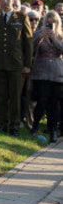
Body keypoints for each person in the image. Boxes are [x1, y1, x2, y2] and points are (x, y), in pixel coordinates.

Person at [0, 0, 33, 135]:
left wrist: (27, 65)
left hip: (15, 64)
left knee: (15, 96)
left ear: (12, 0)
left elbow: (28, 43)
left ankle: (14, 125)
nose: (5, 1)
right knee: (0, 95)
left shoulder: (21, 17)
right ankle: (1, 123)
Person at [29, 10, 63, 142]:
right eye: (48, 23)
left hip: (57, 72)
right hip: (41, 71)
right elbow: (30, 50)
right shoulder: (38, 33)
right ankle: (35, 125)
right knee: (42, 100)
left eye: (53, 23)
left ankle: (53, 130)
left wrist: (54, 39)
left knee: (54, 103)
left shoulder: (60, 35)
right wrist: (39, 37)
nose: (50, 25)